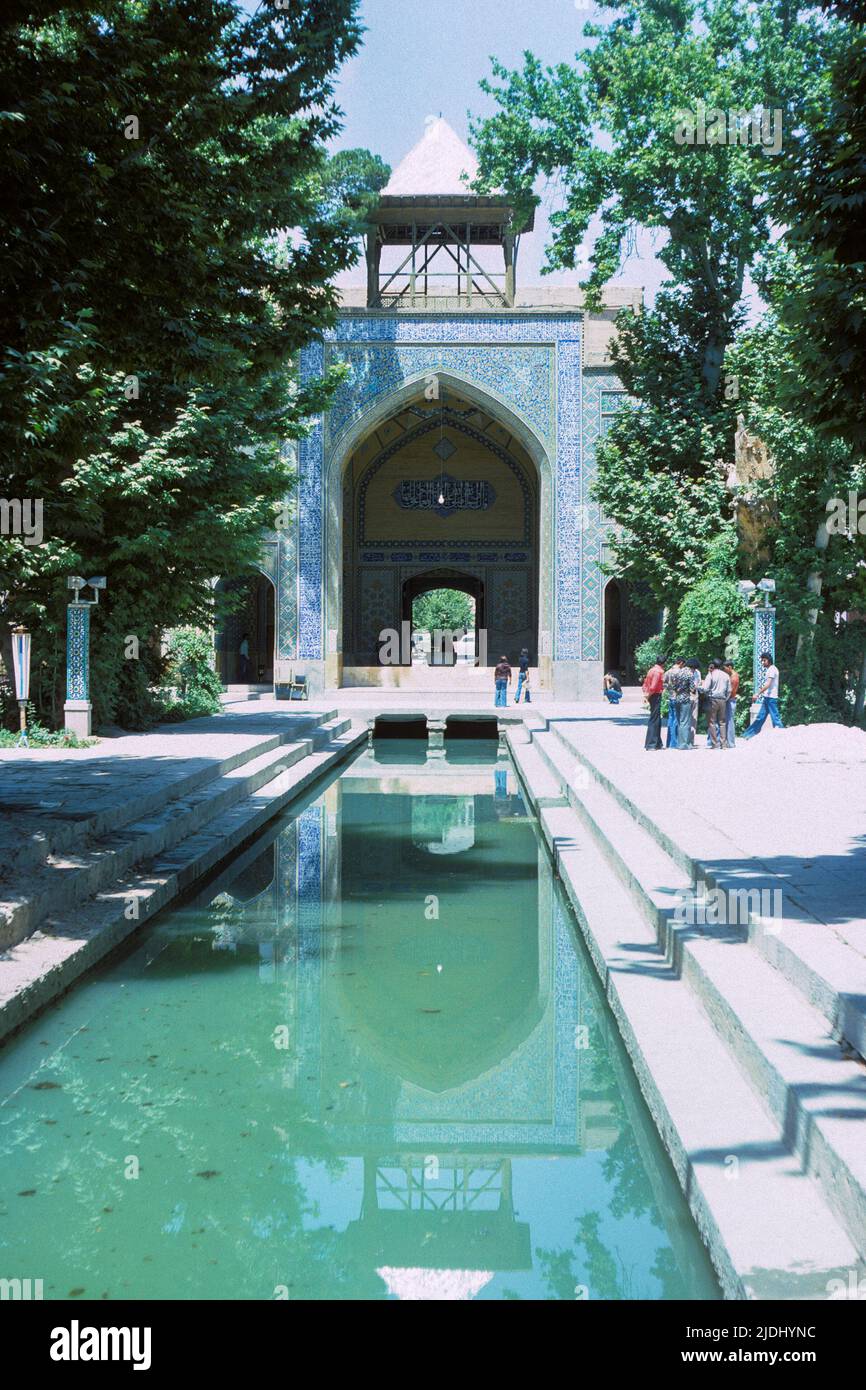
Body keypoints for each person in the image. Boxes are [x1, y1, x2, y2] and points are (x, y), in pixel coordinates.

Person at [742, 652, 784, 738]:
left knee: (775, 718)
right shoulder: (770, 669)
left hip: (771, 698)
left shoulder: (772, 669)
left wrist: (757, 694)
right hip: (767, 697)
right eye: (762, 660)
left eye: (764, 660)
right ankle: (748, 735)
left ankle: (782, 735)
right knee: (760, 717)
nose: (762, 662)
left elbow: (768, 684)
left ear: (769, 660)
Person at [665, 657, 694, 749]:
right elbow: (692, 688)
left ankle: (676, 743)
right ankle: (684, 744)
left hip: (676, 698)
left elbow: (671, 686)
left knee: (678, 721)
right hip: (685, 698)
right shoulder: (689, 673)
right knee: (685, 721)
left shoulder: (677, 672)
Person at [703, 660, 732, 749]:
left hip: (712, 699)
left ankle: (715, 744)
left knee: (712, 722)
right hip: (723, 700)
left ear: (713, 665)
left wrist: (700, 688)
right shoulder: (726, 675)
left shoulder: (710, 675)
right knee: (722, 722)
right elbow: (729, 690)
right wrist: (725, 699)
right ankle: (723, 744)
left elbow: (705, 688)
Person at [642, 655, 665, 749]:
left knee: (656, 719)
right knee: (654, 719)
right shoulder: (659, 671)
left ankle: (657, 742)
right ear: (664, 663)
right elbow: (653, 686)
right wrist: (648, 696)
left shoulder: (651, 670)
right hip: (655, 695)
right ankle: (651, 744)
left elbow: (645, 684)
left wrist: (646, 693)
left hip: (653, 695)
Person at [664, 658, 685, 747]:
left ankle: (669, 742)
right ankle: (675, 742)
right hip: (678, 697)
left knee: (670, 719)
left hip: (671, 696)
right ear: (680, 663)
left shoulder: (668, 671)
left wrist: (669, 689)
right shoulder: (680, 672)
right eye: (683, 664)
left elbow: (664, 683)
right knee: (677, 720)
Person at [723, 661, 740, 747]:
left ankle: (731, 743)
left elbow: (732, 691)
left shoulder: (733, 677)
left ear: (729, 667)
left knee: (729, 721)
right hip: (730, 700)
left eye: (725, 668)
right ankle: (729, 742)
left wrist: (725, 699)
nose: (724, 670)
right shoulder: (733, 675)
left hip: (730, 700)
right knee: (728, 720)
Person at [686, 659, 702, 747]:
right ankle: (685, 739)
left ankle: (691, 740)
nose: (693, 669)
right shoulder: (686, 672)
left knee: (694, 719)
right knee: (687, 718)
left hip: (695, 695)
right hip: (688, 696)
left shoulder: (698, 672)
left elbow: (699, 683)